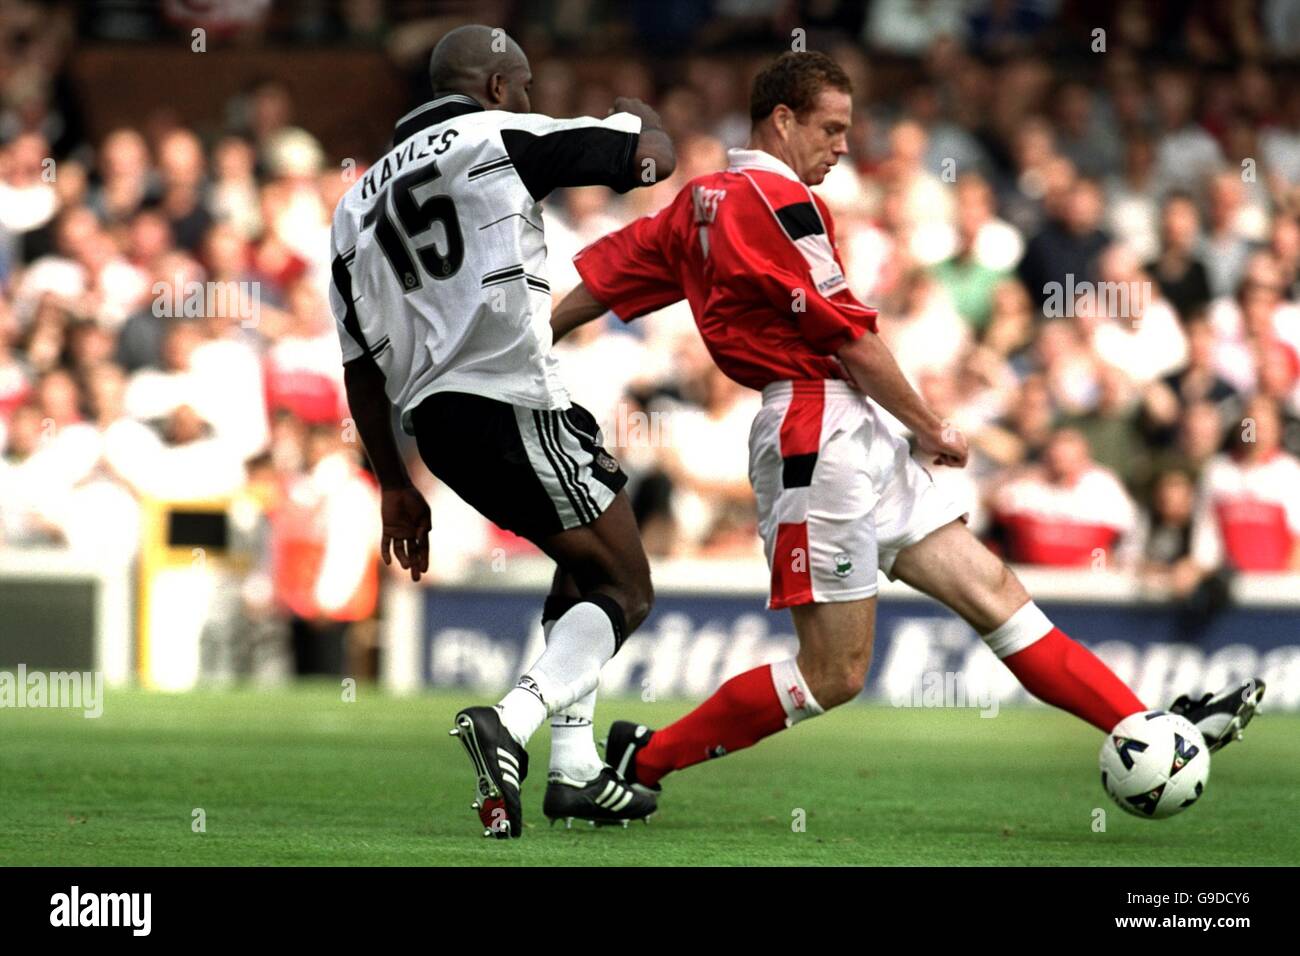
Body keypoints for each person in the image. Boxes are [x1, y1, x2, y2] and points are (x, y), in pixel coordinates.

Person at [550, 51, 1263, 808]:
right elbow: (848, 338)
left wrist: (528, 344)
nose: (844, 145)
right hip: (813, 428)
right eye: (831, 127)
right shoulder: (778, 200)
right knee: (834, 673)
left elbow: (599, 284)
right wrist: (930, 425)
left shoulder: (702, 200)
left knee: (992, 591)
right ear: (781, 119)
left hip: (842, 421)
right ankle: (645, 761)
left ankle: (1146, 727)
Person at [328, 25, 675, 838]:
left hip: (438, 431)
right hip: (512, 397)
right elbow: (649, 164)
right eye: (521, 86)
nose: (526, 99)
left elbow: (358, 368)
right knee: (628, 589)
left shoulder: (352, 204)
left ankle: (577, 771)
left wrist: (393, 483)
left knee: (579, 566)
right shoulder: (497, 133)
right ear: (493, 87)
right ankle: (508, 725)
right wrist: (639, 114)